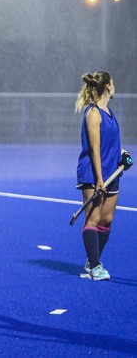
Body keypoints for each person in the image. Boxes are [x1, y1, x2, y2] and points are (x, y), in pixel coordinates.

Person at [75, 71, 123, 281]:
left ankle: (92, 260)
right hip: (95, 173)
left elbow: (109, 145)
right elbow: (94, 149)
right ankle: (94, 266)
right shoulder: (93, 114)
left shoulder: (109, 112)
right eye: (113, 83)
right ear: (108, 87)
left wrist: (122, 155)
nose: (114, 86)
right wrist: (99, 179)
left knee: (107, 220)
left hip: (112, 171)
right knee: (93, 218)